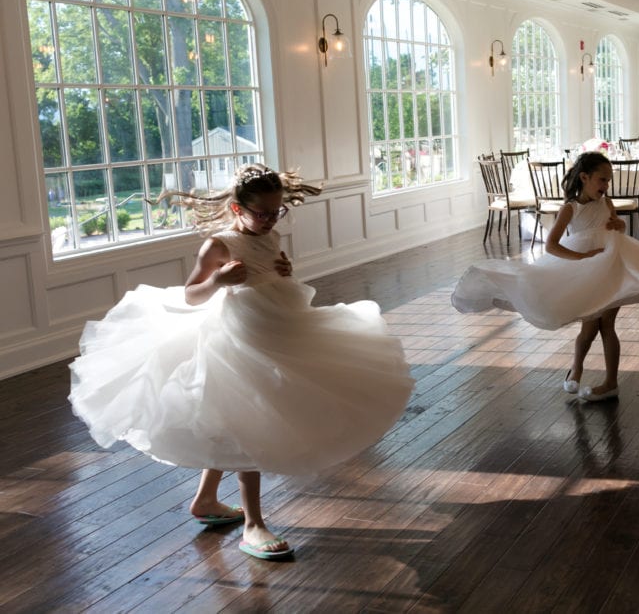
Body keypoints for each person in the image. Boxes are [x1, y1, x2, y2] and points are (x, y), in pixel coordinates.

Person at [69, 164, 414, 560]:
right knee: (248, 420)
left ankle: (206, 500)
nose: (270, 220)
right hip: (237, 336)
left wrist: (284, 270)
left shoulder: (272, 234)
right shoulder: (218, 245)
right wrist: (217, 281)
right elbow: (190, 296)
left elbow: (272, 271)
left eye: (277, 212)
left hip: (277, 326)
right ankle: (253, 524)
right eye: (262, 213)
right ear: (237, 210)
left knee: (229, 422)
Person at [452, 151, 639, 401]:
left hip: (612, 266)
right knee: (589, 328)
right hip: (584, 269)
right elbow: (552, 245)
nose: (606, 185)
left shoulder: (607, 202)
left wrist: (618, 226)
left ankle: (610, 383)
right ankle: (577, 369)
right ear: (585, 178)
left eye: (608, 180)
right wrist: (583, 259)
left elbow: (615, 229)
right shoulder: (571, 208)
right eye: (602, 179)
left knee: (606, 325)